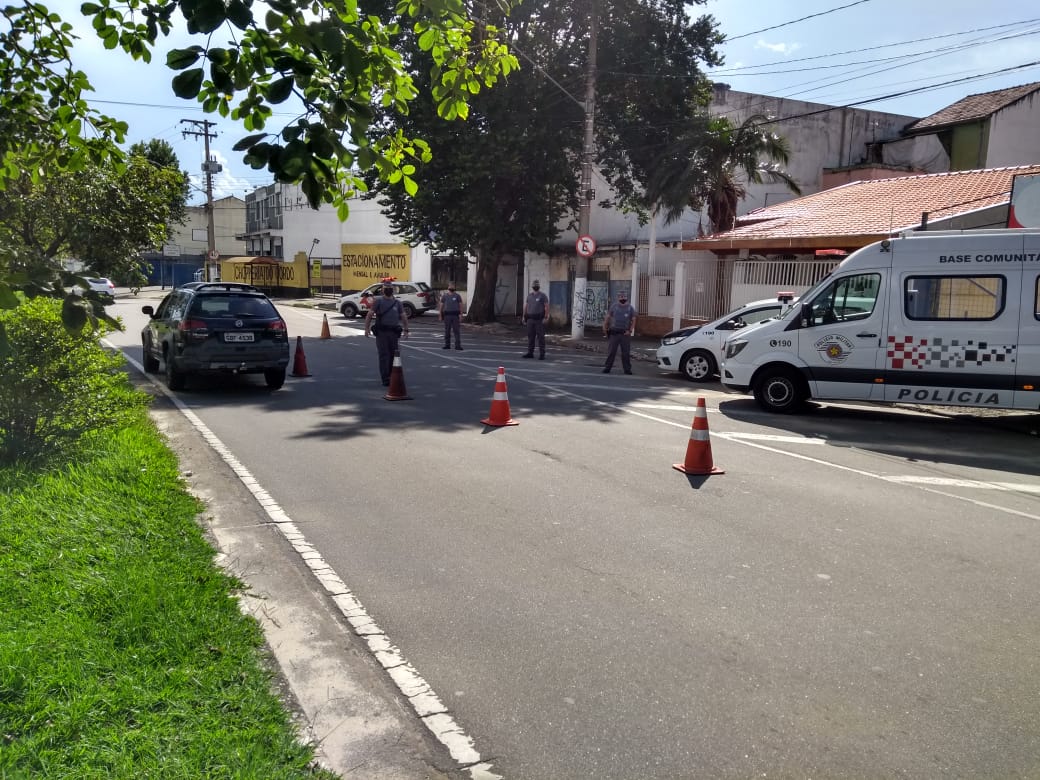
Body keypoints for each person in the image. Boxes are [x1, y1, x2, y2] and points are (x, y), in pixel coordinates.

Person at [364, 283, 410, 385]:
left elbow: (403, 316)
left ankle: (392, 375)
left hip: (394, 333)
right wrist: (366, 328)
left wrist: (406, 330)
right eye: (386, 288)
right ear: (382, 290)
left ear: (393, 290)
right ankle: (385, 379)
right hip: (382, 333)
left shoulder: (397, 303)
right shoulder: (378, 302)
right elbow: (369, 314)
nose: (388, 290)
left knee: (394, 356)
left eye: (390, 288)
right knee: (384, 355)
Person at [602, 291, 637, 374]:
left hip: (625, 334)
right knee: (611, 352)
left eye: (624, 297)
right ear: (618, 298)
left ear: (626, 298)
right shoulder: (614, 307)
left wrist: (630, 331)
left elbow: (634, 320)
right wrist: (604, 327)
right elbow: (608, 317)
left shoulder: (630, 308)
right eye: (621, 297)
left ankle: (627, 369)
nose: (622, 299)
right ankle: (607, 367)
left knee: (626, 353)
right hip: (614, 333)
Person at [521, 279, 550, 359]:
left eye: (536, 285)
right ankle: (530, 353)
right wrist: (524, 316)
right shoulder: (529, 296)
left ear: (539, 286)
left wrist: (546, 317)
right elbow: (526, 306)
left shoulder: (542, 296)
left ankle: (542, 354)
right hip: (530, 319)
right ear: (532, 287)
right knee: (531, 337)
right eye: (534, 285)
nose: (535, 286)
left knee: (541, 337)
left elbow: (546, 306)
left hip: (539, 320)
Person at [439, 284, 464, 350]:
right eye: (450, 287)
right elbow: (441, 306)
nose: (451, 288)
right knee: (447, 331)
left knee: (456, 331)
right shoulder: (445, 296)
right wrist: (440, 315)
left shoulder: (457, 296)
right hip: (447, 316)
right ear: (448, 288)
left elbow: (461, 305)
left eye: (452, 287)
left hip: (455, 316)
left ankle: (457, 345)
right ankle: (447, 345)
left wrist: (461, 315)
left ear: (454, 288)